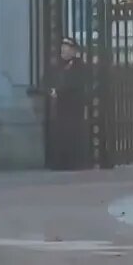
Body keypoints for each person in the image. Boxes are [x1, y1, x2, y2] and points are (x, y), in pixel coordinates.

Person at [48, 37, 90, 170]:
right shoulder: (56, 66)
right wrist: (50, 90)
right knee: (59, 135)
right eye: (62, 49)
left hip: (73, 106)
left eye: (67, 49)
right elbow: (48, 80)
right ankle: (59, 162)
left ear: (73, 51)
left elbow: (77, 84)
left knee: (73, 135)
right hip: (60, 107)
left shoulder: (79, 66)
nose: (64, 52)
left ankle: (75, 163)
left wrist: (59, 91)